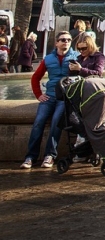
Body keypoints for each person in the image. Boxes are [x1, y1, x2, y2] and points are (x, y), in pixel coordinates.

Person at [20, 31, 77, 169]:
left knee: (56, 122)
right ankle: (30, 157)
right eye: (63, 40)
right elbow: (35, 77)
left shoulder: (76, 57)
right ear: (56, 42)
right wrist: (39, 94)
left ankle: (50, 155)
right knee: (39, 122)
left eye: (69, 40)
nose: (66, 42)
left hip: (65, 97)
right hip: (50, 96)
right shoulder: (48, 59)